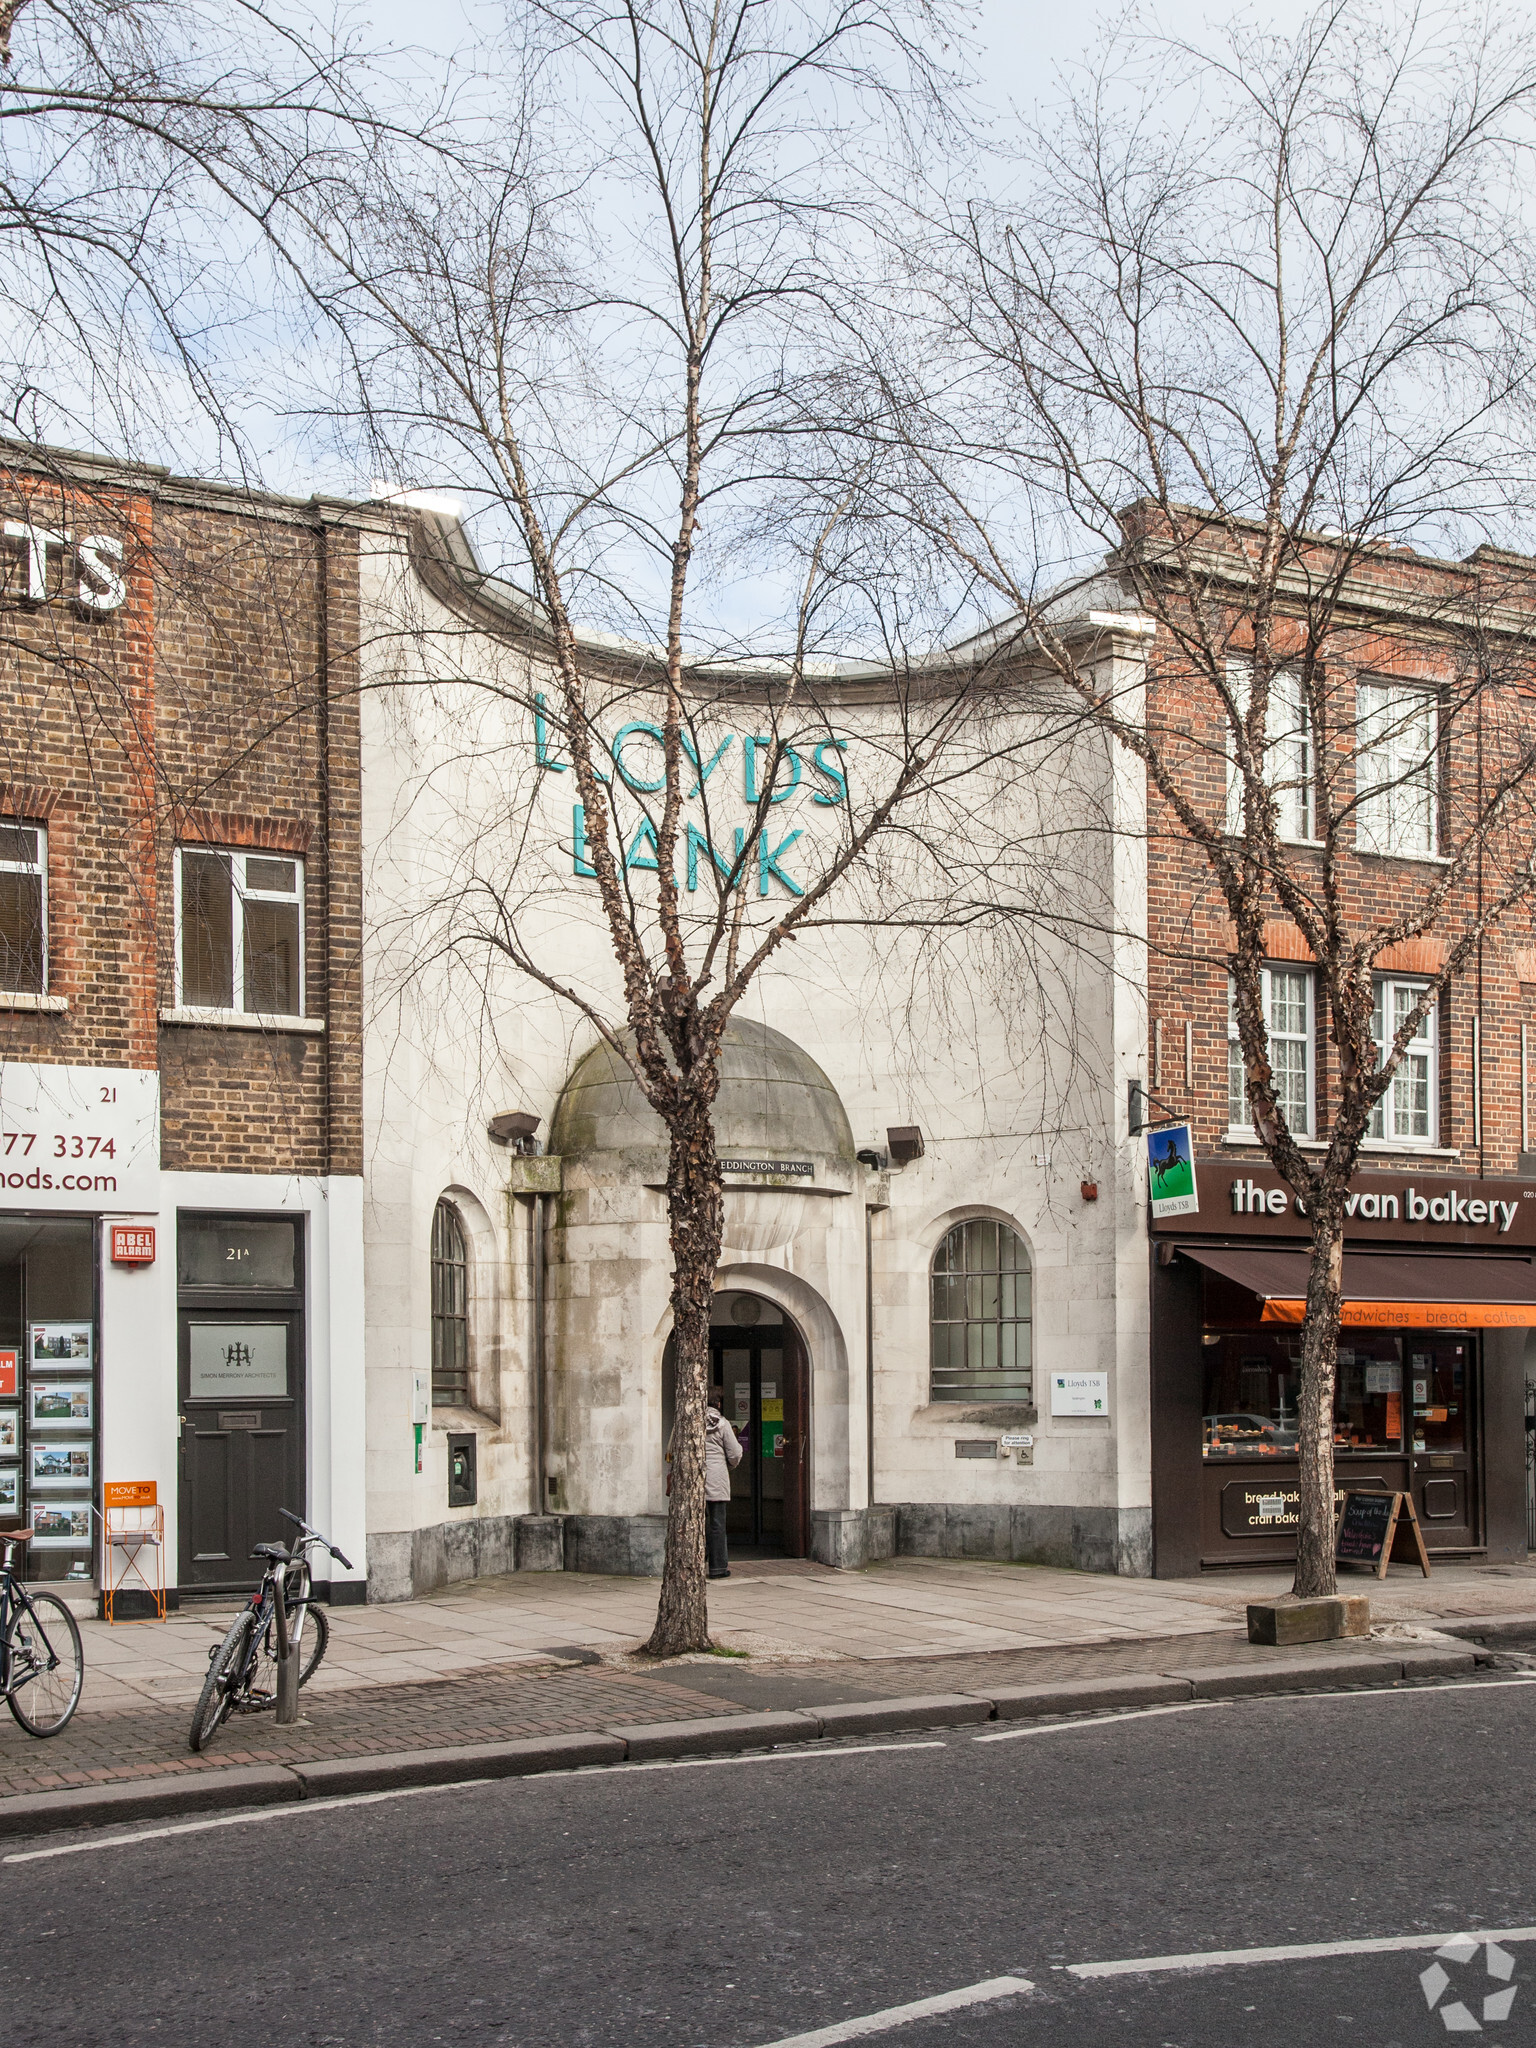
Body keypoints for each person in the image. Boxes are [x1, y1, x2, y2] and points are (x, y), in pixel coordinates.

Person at [704, 1392, 743, 1579]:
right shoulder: (723, 1424)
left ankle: (695, 1563)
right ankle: (718, 1567)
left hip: (695, 1479)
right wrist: (728, 1465)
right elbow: (735, 1452)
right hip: (717, 1479)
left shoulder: (690, 1419)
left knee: (697, 1523)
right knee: (717, 1524)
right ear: (718, 1403)